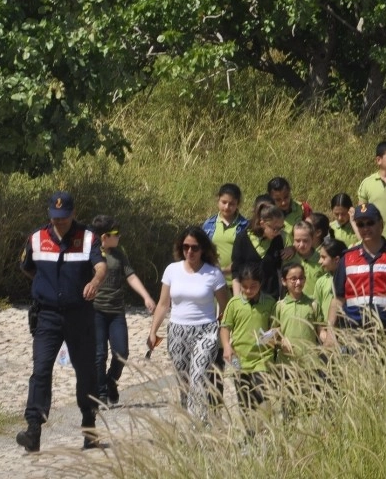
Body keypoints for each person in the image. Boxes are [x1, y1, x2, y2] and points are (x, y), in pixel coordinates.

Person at [17, 191, 107, 452]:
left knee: (86, 372)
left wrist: (94, 282)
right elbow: (26, 267)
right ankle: (33, 429)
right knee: (41, 371)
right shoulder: (36, 239)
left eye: (65, 218)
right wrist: (44, 286)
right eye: (56, 219)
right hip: (46, 315)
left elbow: (101, 267)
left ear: (73, 214)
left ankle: (89, 427)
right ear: (50, 215)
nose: (60, 223)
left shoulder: (88, 238)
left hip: (79, 315)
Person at [147, 227, 230, 423]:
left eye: (195, 247)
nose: (190, 252)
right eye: (186, 247)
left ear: (203, 249)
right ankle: (189, 420)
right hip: (177, 331)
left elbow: (225, 307)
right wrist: (153, 332)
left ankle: (199, 426)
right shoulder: (172, 270)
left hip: (206, 331)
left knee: (198, 377)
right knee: (184, 382)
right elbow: (163, 304)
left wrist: (221, 334)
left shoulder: (213, 274)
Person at [89, 215, 156, 407]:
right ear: (104, 236)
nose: (119, 237)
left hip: (116, 311)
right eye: (116, 233)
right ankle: (100, 393)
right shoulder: (90, 255)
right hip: (96, 311)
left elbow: (131, 276)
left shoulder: (119, 255)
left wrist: (146, 296)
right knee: (99, 354)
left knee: (122, 353)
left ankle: (111, 382)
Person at [325, 203, 386, 337]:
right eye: (360, 224)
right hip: (354, 335)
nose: (365, 228)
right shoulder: (347, 258)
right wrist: (330, 335)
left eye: (370, 223)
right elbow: (338, 299)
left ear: (381, 224)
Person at [220, 262, 277, 426]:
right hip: (239, 359)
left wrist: (272, 336)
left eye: (254, 286)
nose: (249, 290)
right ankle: (248, 436)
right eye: (245, 286)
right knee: (244, 401)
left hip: (262, 359)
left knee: (262, 398)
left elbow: (275, 327)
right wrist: (226, 346)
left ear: (261, 284)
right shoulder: (234, 304)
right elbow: (225, 327)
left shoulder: (270, 302)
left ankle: (264, 431)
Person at [230, 200, 286, 298]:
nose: (278, 232)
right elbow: (236, 271)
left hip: (270, 298)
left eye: (281, 228)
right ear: (262, 223)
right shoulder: (242, 238)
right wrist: (237, 299)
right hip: (247, 296)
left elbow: (279, 268)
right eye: (275, 228)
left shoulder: (277, 239)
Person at [202, 183, 248, 282]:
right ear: (218, 200)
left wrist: (225, 271)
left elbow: (246, 255)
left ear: (238, 204)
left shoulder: (245, 226)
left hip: (238, 281)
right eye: (224, 202)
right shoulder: (208, 225)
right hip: (212, 280)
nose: (227, 207)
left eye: (231, 204)